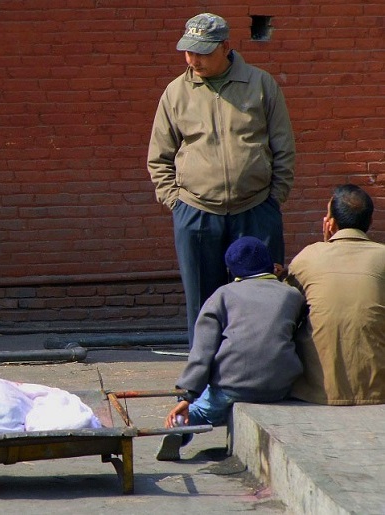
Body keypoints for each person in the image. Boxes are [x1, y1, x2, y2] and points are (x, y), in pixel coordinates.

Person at [147, 13, 296, 347]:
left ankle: (261, 367)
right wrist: (176, 201)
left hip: (256, 209)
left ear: (226, 47)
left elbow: (283, 146)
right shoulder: (176, 93)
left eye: (202, 51)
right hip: (196, 211)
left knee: (263, 296)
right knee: (203, 302)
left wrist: (275, 196)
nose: (193, 59)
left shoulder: (260, 84)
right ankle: (204, 377)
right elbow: (159, 156)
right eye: (188, 51)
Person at [156, 236, 305, 461]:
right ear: (270, 264)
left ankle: (180, 428)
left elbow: (202, 352)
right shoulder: (292, 296)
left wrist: (186, 396)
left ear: (233, 271)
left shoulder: (222, 295)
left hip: (231, 386)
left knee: (201, 409)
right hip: (279, 387)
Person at [286, 184, 385, 405]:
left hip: (317, 390)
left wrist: (324, 243)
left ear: (329, 223)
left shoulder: (307, 257)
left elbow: (286, 309)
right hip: (378, 390)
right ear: (369, 222)